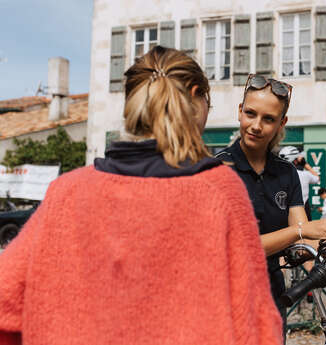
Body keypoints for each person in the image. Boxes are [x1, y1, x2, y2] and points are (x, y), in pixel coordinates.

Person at [0, 47, 283, 345]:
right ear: (197, 98)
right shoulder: (219, 191)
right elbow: (258, 326)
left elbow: (6, 303)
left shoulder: (67, 191)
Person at [216, 74, 326, 340]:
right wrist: (300, 233)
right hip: (222, 300)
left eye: (268, 119)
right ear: (239, 112)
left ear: (282, 123)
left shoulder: (286, 173)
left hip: (272, 297)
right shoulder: (217, 170)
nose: (256, 125)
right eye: (250, 113)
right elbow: (233, 248)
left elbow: (302, 246)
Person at [279, 146, 320, 221]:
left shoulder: (276, 175)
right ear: (295, 161)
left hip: (282, 214)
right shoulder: (304, 174)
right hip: (302, 213)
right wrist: (305, 164)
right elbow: (317, 178)